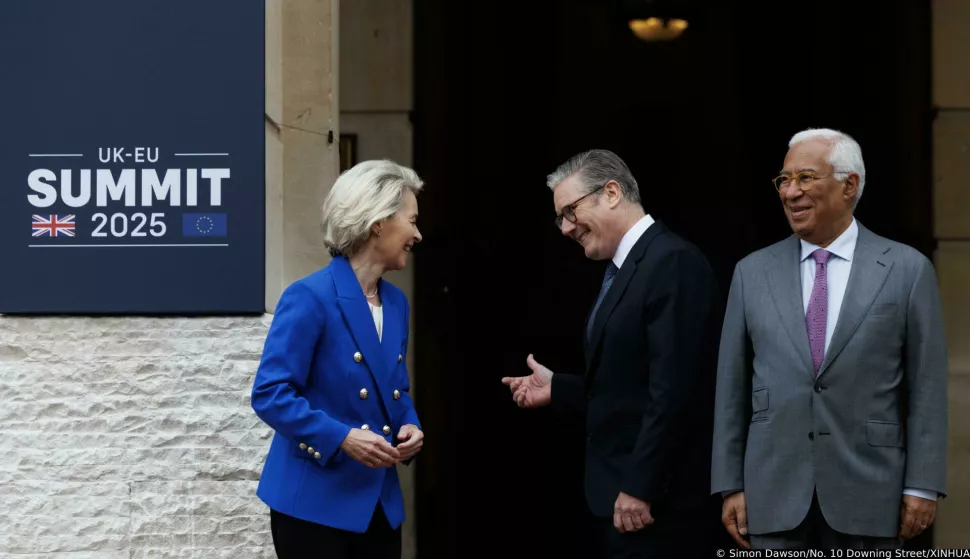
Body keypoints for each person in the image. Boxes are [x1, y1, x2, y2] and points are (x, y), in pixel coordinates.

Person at [711, 128, 948, 550]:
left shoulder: (907, 270)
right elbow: (731, 389)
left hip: (873, 493)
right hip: (772, 494)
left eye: (805, 177)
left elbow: (927, 388)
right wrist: (730, 483)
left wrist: (923, 486)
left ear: (849, 185)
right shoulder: (751, 272)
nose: (790, 192)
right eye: (783, 180)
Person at [500, 149, 723, 558]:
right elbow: (629, 384)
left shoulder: (670, 262)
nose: (566, 228)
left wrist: (642, 485)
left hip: (658, 507)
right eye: (559, 218)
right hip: (625, 500)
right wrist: (560, 389)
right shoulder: (624, 268)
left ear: (613, 193)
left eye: (570, 211)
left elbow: (674, 393)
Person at [251, 159, 425, 558]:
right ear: (377, 221)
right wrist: (342, 437)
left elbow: (393, 389)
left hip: (378, 506)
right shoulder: (309, 296)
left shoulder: (396, 303)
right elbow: (270, 394)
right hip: (315, 506)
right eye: (411, 220)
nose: (418, 234)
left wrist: (410, 425)